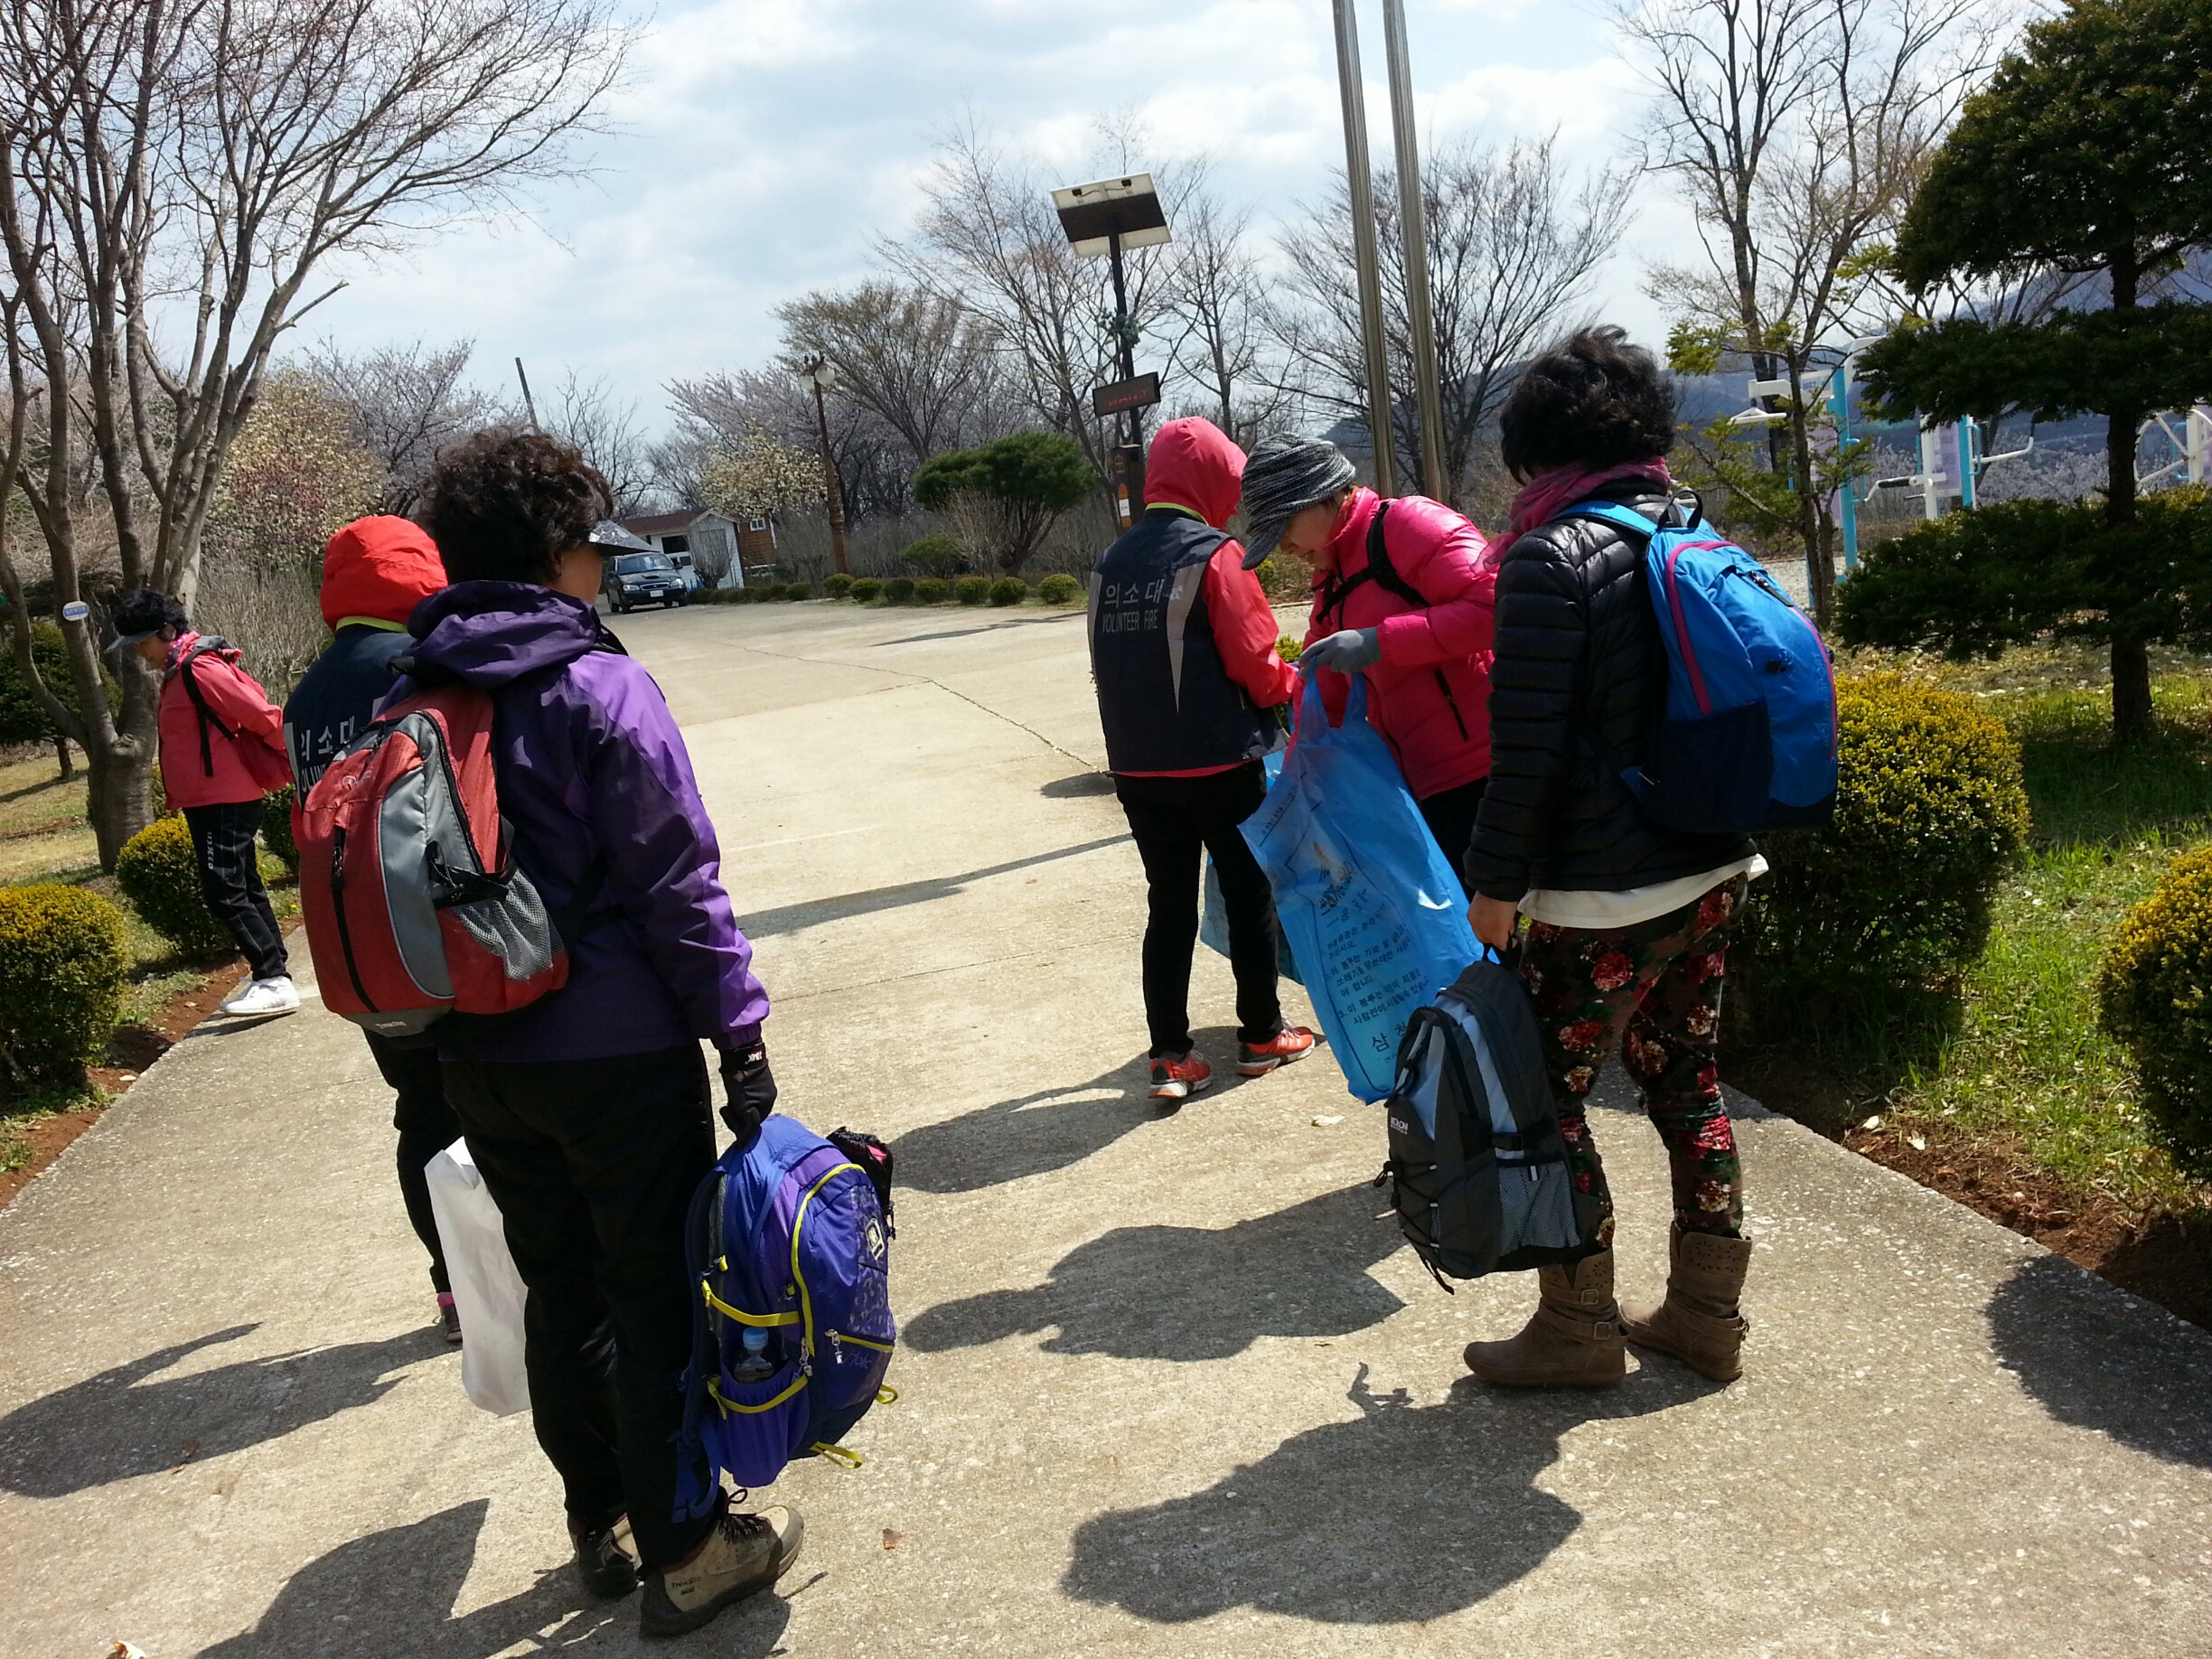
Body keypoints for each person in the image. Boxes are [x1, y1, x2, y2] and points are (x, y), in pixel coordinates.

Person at [405, 430, 800, 1635]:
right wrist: (737, 1035)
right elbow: (676, 882)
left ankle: (604, 1520)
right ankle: (689, 1550)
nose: (601, 568)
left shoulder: (415, 692)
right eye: (590, 546)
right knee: (653, 1293)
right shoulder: (596, 685)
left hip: (476, 1051)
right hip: (615, 1052)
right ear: (554, 555)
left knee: (559, 1290)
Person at [1460, 326, 1764, 1388]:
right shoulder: (1688, 529)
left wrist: (1494, 887)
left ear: (1534, 446)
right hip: (1713, 867)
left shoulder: (1547, 558)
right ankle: (1706, 1319)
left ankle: (1579, 1327)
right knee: (1689, 1081)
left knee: (1548, 1098)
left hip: (1602, 895)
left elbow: (1527, 751)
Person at [1091, 416, 1317, 1102]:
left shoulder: (1110, 562)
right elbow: (1258, 666)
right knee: (1249, 895)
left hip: (1138, 768)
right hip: (1220, 762)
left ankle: (1170, 1056)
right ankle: (1262, 1035)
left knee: (1168, 905)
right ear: (1215, 479)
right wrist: (1300, 684)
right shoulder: (1216, 554)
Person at [283, 515, 463, 1344]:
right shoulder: (424, 664)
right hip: (444, 928)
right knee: (493, 1102)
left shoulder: (304, 698)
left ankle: (452, 1285)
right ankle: (514, 1275)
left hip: (359, 945)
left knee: (419, 1111)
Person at [1236, 434, 1498, 876]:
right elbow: (1323, 698)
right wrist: (1302, 786)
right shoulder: (1332, 581)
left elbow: (1497, 608)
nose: (1284, 548)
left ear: (1323, 497)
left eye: (1283, 528)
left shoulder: (1410, 526)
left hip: (1487, 774)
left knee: (1498, 917)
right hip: (1416, 788)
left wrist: (1380, 642)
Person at [108, 588, 299, 1017]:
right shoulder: (179, 670)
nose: (139, 651)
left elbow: (261, 714)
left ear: (167, 631)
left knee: (224, 890)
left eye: (142, 641)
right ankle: (273, 972)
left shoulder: (199, 668)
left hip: (224, 797)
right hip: (209, 797)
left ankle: (272, 978)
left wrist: (293, 755)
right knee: (243, 885)